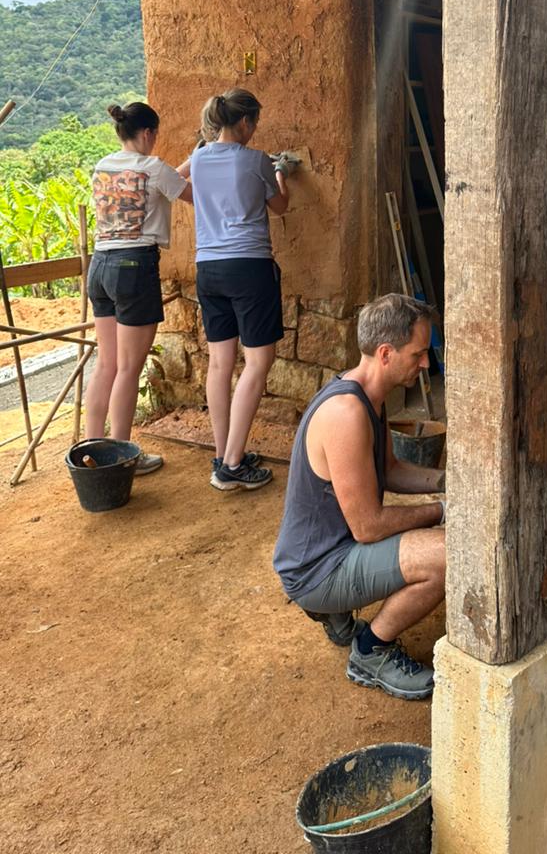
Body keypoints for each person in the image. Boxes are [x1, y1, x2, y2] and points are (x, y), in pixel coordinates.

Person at [274, 294, 446, 701]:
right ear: (386, 353)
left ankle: (334, 610)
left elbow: (390, 471)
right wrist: (439, 511)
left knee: (433, 533)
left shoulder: (367, 396)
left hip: (327, 549)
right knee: (449, 556)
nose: (424, 363)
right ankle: (371, 652)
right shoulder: (347, 414)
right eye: (418, 353)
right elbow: (368, 527)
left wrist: (448, 482)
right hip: (316, 569)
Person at [178, 89, 298, 492]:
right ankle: (231, 465)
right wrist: (281, 172)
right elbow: (279, 206)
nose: (255, 130)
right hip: (249, 267)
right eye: (255, 123)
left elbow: (175, 181)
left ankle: (223, 453)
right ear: (245, 122)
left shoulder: (197, 158)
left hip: (208, 268)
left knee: (219, 364)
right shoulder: (256, 160)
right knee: (259, 361)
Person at [86, 102, 193, 473]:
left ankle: (91, 448)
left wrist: (191, 160)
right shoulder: (153, 167)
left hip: (99, 266)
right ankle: (121, 457)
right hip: (133, 267)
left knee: (108, 364)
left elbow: (159, 186)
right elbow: (185, 192)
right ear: (148, 133)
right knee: (130, 368)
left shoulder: (103, 166)